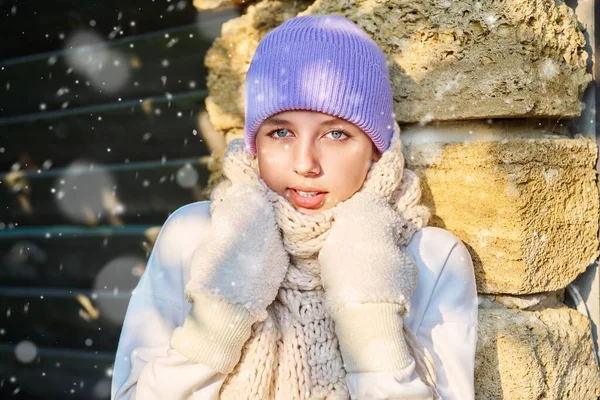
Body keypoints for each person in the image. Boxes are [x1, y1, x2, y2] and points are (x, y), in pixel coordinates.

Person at [111, 14, 478, 399]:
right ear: (256, 143)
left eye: (336, 134)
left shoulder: (432, 259)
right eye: (281, 132)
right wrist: (220, 319)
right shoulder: (195, 234)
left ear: (375, 148)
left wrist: (370, 324)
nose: (305, 162)